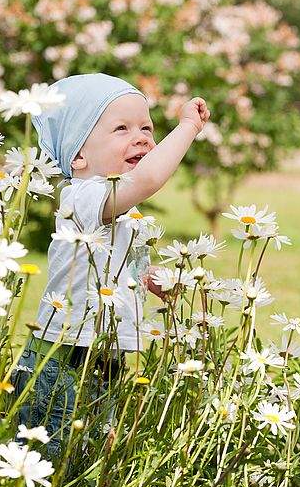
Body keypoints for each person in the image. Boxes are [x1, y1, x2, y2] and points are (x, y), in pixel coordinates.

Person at [13, 73, 210, 458]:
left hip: (105, 356)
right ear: (78, 156)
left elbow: (130, 268)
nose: (142, 138)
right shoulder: (82, 197)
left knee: (86, 452)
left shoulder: (129, 212)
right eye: (121, 128)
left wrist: (154, 280)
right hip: (63, 356)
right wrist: (187, 127)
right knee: (46, 454)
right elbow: (149, 178)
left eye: (146, 128)